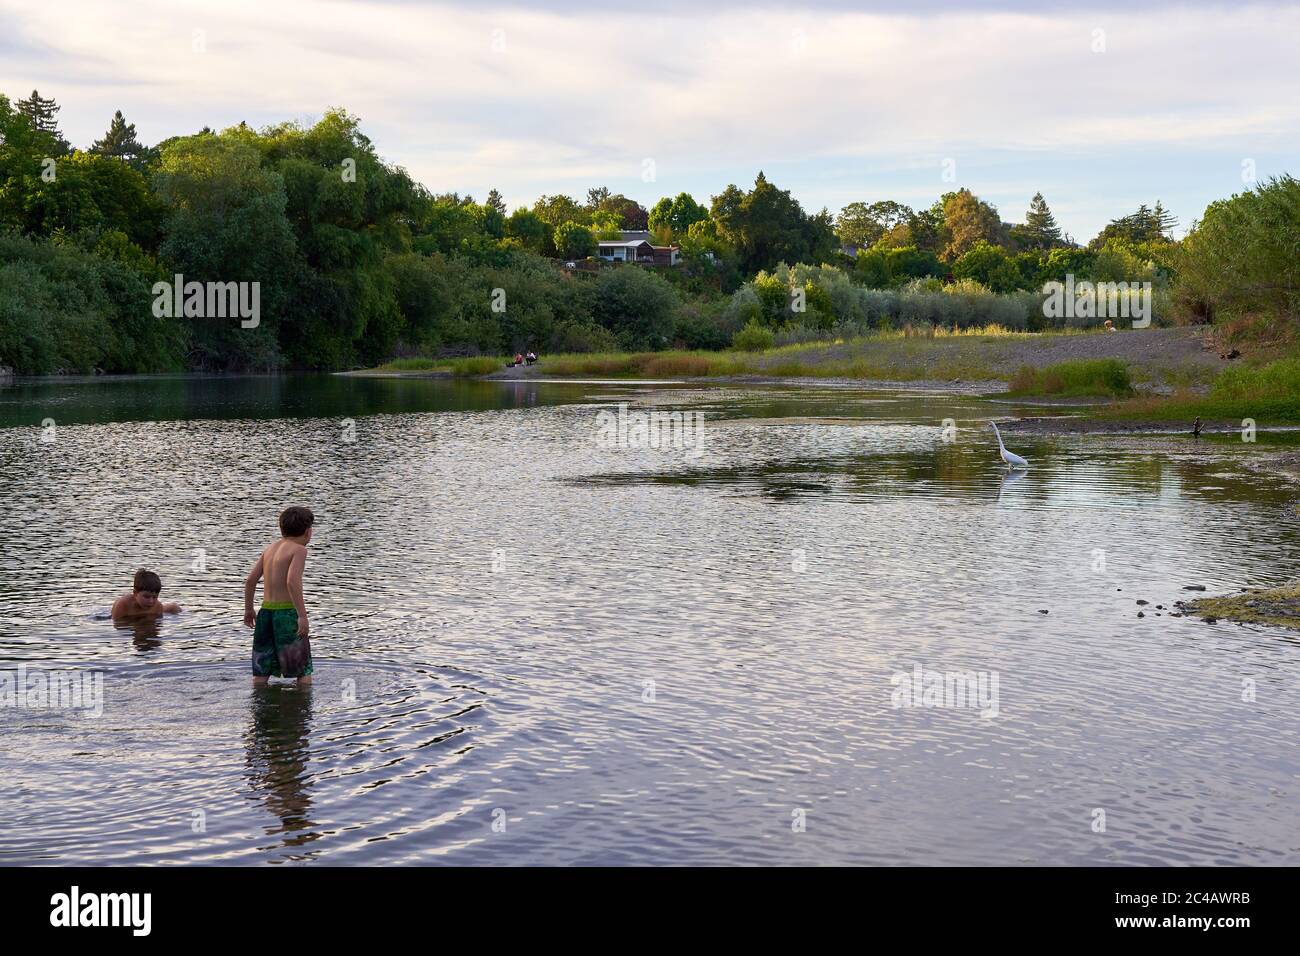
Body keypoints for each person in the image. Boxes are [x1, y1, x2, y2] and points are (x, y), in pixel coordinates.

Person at [243, 506, 315, 686]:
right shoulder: (299, 550)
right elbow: (292, 581)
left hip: (265, 613)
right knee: (302, 670)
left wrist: (248, 609)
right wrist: (302, 616)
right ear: (308, 531)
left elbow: (250, 580)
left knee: (262, 671)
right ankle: (302, 708)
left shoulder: (270, 549)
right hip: (286, 614)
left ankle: (260, 704)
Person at [111, 569, 181, 620]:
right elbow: (118, 625)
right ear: (135, 593)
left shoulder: (157, 606)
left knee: (174, 607)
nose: (151, 601)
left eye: (155, 597)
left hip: (151, 613)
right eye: (146, 597)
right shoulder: (123, 605)